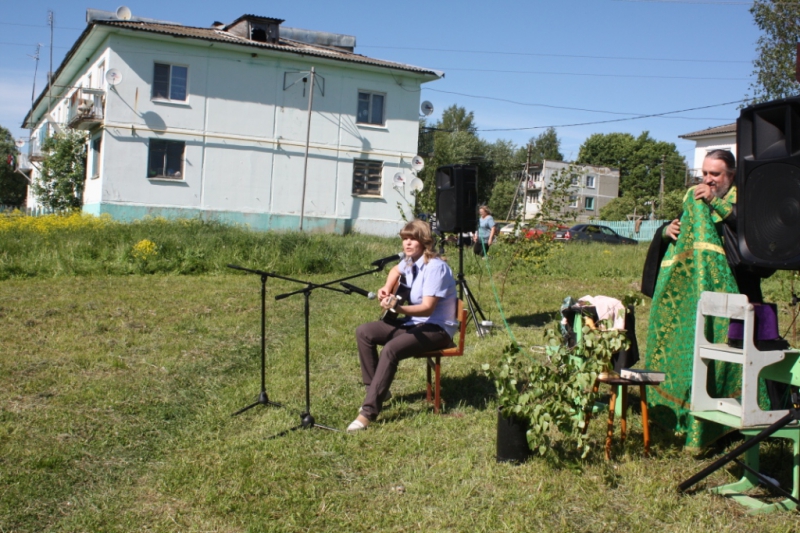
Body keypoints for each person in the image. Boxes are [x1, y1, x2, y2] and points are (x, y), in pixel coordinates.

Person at [641, 149, 772, 450]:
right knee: (705, 356)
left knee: (739, 359)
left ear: (732, 174)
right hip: (703, 300)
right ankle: (700, 418)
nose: (708, 180)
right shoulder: (696, 200)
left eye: (716, 174)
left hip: (741, 291)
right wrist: (666, 231)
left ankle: (744, 425)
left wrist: (716, 203)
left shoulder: (746, 200)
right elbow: (682, 229)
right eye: (705, 173)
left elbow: (754, 232)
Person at [347, 219, 458, 432]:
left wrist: (398, 309)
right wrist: (386, 288)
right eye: (404, 239)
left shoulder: (435, 267)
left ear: (425, 241)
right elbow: (395, 272)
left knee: (391, 349)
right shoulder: (410, 261)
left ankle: (367, 413)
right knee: (365, 332)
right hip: (414, 323)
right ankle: (377, 389)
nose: (407, 243)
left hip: (438, 328)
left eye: (412, 239)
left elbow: (427, 308)